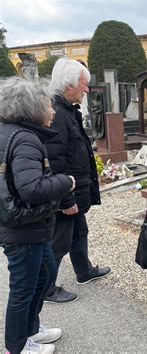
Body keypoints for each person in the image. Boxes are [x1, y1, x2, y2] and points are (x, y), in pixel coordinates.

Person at [0, 77, 76, 354]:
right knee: (23, 289)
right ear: (31, 107)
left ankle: (30, 329)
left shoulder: (10, 132)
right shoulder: (25, 139)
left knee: (46, 274)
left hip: (28, 225)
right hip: (23, 228)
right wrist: (66, 182)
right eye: (48, 105)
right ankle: (16, 347)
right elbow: (32, 188)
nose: (53, 111)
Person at [44, 58, 110, 303]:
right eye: (84, 84)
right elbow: (55, 161)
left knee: (80, 231)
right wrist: (66, 199)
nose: (87, 89)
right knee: (59, 243)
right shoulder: (59, 114)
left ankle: (84, 271)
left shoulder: (68, 110)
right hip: (66, 194)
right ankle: (46, 289)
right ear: (68, 84)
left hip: (75, 191)